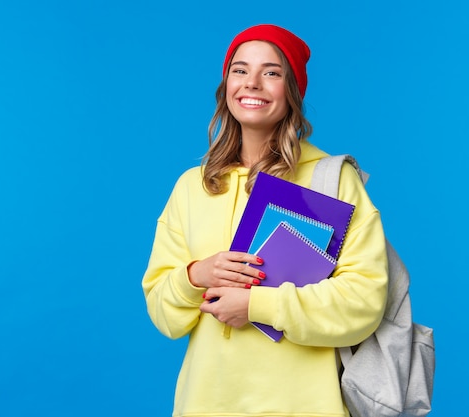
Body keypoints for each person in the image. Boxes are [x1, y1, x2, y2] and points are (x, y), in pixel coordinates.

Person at [141, 24, 388, 417]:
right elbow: (162, 312)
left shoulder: (331, 181)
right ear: (226, 87)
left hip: (304, 407)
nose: (252, 83)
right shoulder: (193, 186)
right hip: (206, 404)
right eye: (240, 70)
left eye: (271, 72)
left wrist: (257, 304)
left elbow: (362, 302)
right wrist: (195, 275)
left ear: (292, 90)